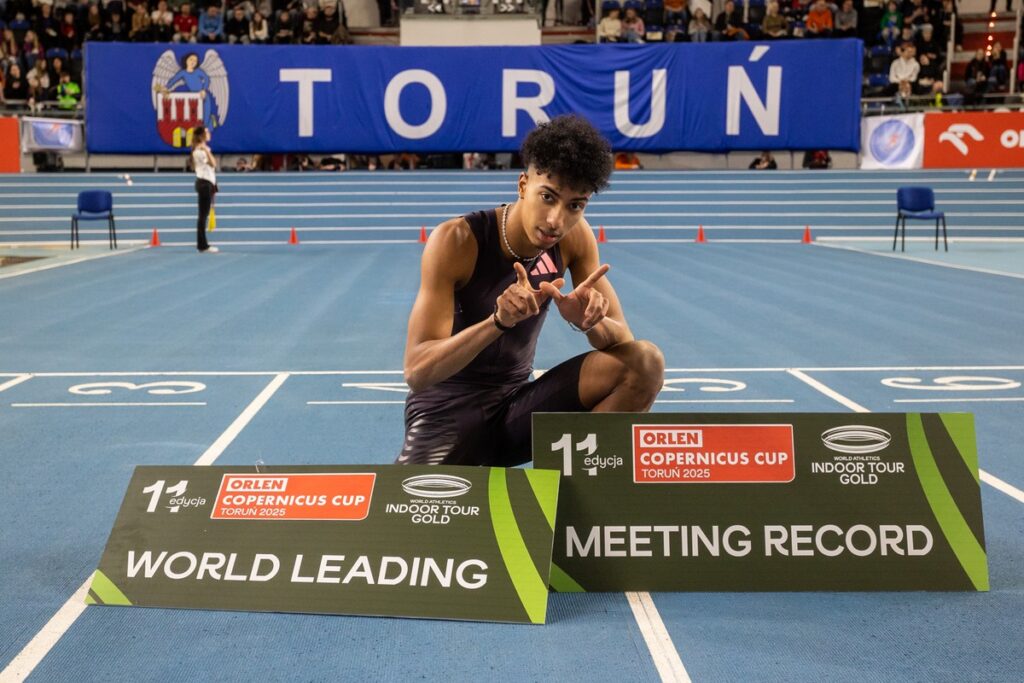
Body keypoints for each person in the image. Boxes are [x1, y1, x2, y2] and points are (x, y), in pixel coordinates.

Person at [396, 115, 664, 466]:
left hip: (517, 408)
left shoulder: (576, 238)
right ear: (523, 184)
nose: (557, 220)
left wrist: (589, 323)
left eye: (575, 205)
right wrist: (497, 322)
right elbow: (418, 373)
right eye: (548, 197)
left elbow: (622, 343)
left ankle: (580, 495)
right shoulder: (457, 241)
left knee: (645, 363)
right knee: (411, 516)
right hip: (445, 410)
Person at [191, 125, 219, 253]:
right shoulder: (200, 151)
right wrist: (207, 151)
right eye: (207, 132)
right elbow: (214, 163)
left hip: (206, 183)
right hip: (204, 184)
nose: (209, 133)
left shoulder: (202, 149)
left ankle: (202, 244)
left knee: (203, 215)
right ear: (202, 135)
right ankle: (202, 245)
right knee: (202, 216)